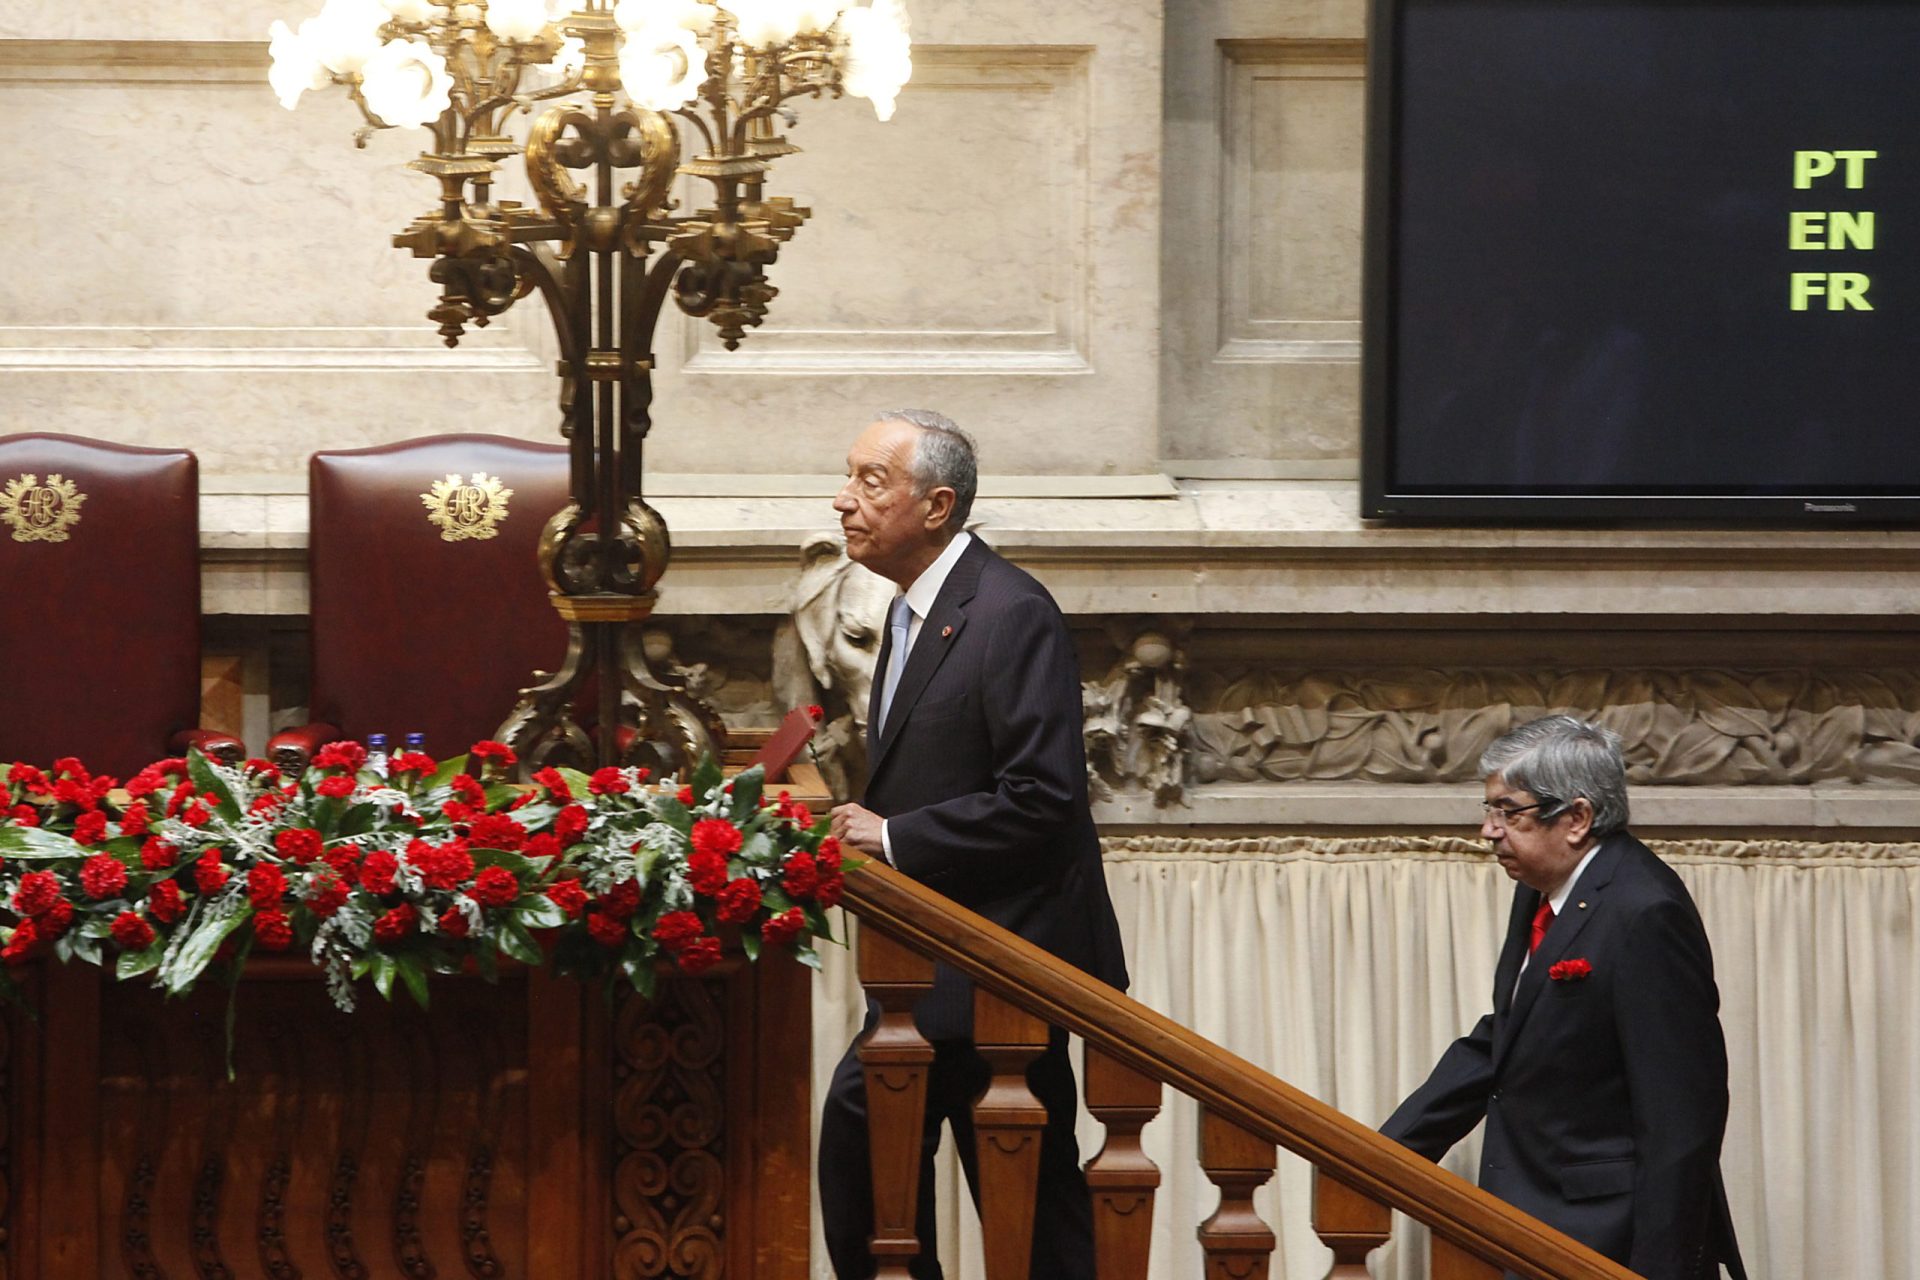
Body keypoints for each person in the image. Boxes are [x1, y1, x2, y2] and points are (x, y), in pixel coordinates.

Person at [820, 409, 1129, 1280]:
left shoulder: (1009, 610)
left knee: (1022, 1206)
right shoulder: (917, 610)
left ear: (937, 505)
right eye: (848, 477)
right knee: (997, 1202)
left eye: (870, 482)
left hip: (1004, 962)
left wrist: (896, 835)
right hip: (943, 960)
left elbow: (1044, 797)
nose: (843, 501)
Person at [1381, 715, 1745, 1280]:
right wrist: (1386, 1153)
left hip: (1608, 1238)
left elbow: (1682, 1117)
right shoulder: (1543, 890)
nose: (1489, 830)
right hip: (1534, 1218)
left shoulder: (1646, 912)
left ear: (1577, 818)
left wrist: (1660, 1269)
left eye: (1509, 811)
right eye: (1488, 810)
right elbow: (1506, 1038)